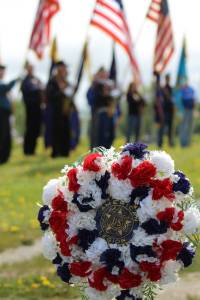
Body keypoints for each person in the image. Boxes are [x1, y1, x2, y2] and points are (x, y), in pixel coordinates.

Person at [46, 61, 74, 158]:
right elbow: (50, 95)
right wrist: (61, 91)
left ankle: (65, 152)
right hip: (56, 111)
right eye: (63, 68)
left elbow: (70, 95)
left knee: (66, 131)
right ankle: (56, 152)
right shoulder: (52, 81)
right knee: (56, 131)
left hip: (65, 111)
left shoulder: (67, 82)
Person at [21, 62, 43, 155]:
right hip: (30, 108)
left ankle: (33, 150)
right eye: (29, 68)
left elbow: (42, 88)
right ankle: (27, 150)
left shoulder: (36, 79)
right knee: (30, 128)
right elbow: (29, 91)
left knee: (36, 129)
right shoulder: (25, 80)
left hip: (38, 108)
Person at [0, 64, 19, 164]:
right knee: (2, 135)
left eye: (3, 70)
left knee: (6, 135)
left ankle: (5, 157)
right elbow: (5, 88)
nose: (2, 72)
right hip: (1, 113)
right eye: (1, 70)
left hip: (5, 113)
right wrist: (15, 81)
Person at [179, 81, 196, 147]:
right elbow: (181, 100)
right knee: (184, 127)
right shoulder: (182, 90)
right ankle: (183, 143)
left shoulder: (191, 89)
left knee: (189, 127)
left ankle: (188, 143)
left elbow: (193, 99)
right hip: (185, 110)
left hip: (191, 110)